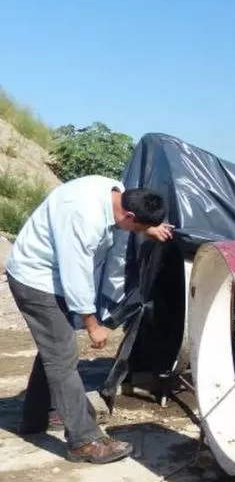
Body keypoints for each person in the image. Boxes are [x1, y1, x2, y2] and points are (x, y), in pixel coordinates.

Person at [4, 174, 173, 464]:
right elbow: (75, 275)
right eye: (138, 227)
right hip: (36, 279)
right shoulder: (81, 217)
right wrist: (93, 324)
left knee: (55, 349)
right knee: (62, 356)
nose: (137, 232)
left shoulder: (114, 190)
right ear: (129, 215)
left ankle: (35, 419)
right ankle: (84, 441)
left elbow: (122, 232)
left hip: (51, 275)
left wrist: (149, 228)